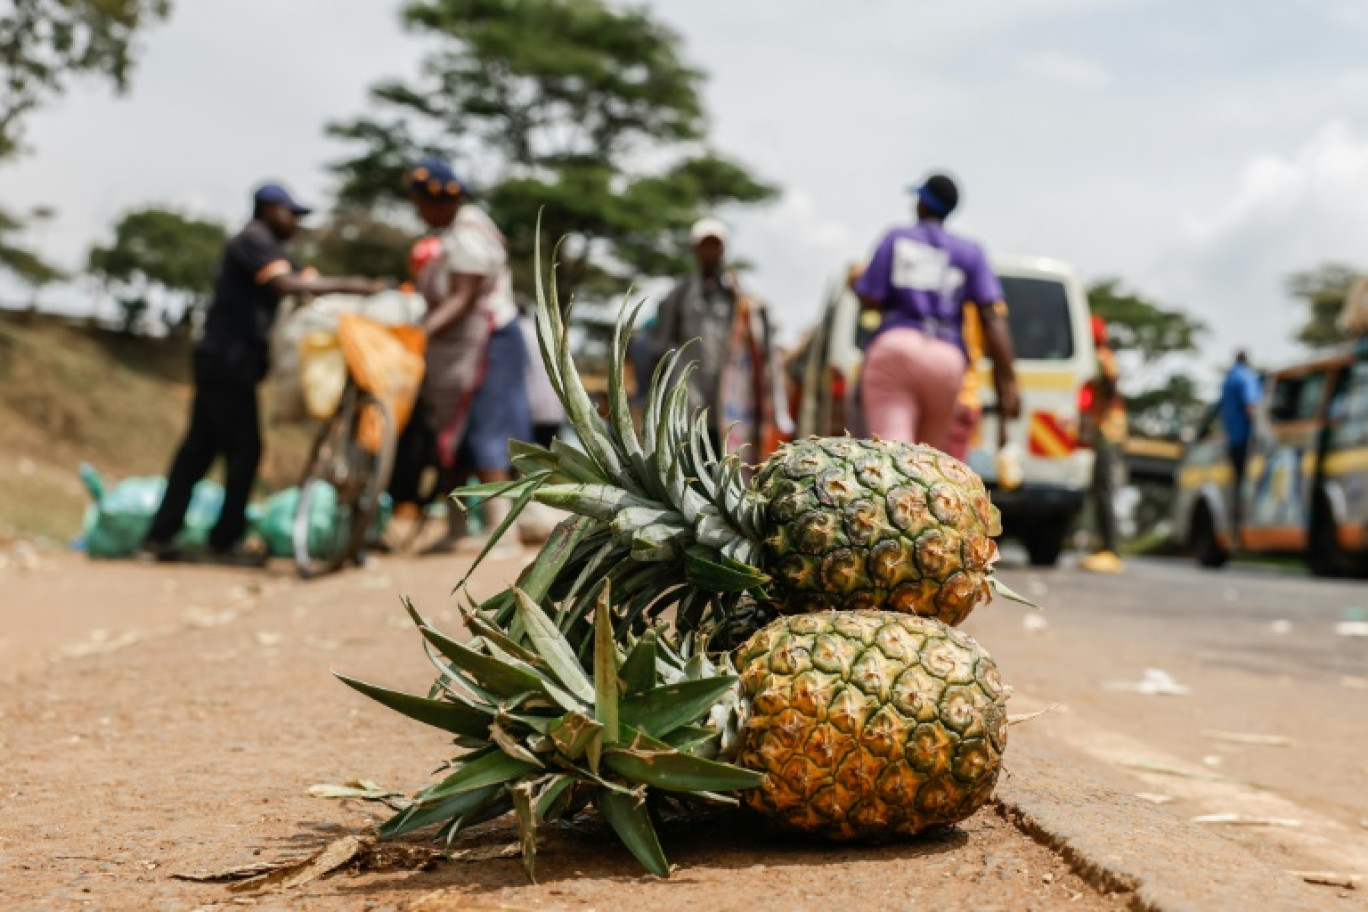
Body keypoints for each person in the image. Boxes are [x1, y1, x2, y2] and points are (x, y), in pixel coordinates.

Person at [141, 183, 387, 563]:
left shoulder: (267, 249)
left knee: (198, 451)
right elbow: (284, 284)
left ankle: (160, 536)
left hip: (225, 362)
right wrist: (355, 286)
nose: (294, 222)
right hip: (228, 362)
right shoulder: (252, 241)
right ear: (269, 209)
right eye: (290, 213)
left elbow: (295, 281)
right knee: (244, 450)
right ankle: (224, 540)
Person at [407, 157, 531, 552]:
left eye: (419, 202)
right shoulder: (452, 236)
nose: (417, 211)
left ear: (438, 201)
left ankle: (502, 529)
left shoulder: (469, 235)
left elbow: (462, 298)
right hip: (460, 352)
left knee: (486, 432)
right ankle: (458, 529)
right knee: (454, 439)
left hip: (489, 344)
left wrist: (416, 333)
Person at [854, 173, 1019, 453]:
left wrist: (855, 287)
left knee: (891, 456)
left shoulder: (896, 239)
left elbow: (871, 298)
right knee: (928, 462)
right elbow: (992, 318)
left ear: (922, 203)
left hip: (896, 346)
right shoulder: (971, 252)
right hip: (945, 359)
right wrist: (1009, 384)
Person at [651, 218, 783, 456]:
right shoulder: (678, 295)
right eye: (705, 245)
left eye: (715, 246)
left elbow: (762, 336)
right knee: (689, 462)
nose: (710, 252)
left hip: (728, 405)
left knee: (726, 463)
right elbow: (660, 346)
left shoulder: (738, 295)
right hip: (689, 401)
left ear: (723, 250)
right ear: (695, 249)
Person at [1079, 316, 1127, 574]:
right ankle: (1103, 546)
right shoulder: (1101, 356)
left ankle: (1111, 548)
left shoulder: (1102, 357)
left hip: (1109, 431)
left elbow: (1110, 385)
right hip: (1104, 430)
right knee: (1099, 491)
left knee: (1105, 490)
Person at [1219, 350, 1262, 537]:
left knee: (1237, 484)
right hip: (1246, 439)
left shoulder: (1228, 379)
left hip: (1232, 438)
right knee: (1249, 483)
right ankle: (1246, 528)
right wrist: (1260, 430)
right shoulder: (1247, 376)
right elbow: (1250, 404)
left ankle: (1234, 530)